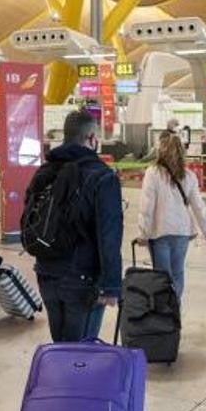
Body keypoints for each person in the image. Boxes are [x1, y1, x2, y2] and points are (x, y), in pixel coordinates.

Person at [28, 109, 124, 342]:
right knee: (80, 353)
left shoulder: (44, 171)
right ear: (92, 138)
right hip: (82, 278)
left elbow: (30, 218)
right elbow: (109, 234)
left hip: (46, 272)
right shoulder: (102, 177)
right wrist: (111, 285)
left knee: (61, 346)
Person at [137, 134, 206, 299]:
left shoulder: (152, 173)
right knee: (178, 273)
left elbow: (147, 207)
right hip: (181, 231)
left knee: (162, 277)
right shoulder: (189, 175)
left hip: (159, 232)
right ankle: (174, 310)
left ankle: (163, 314)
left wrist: (143, 233)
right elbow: (199, 207)